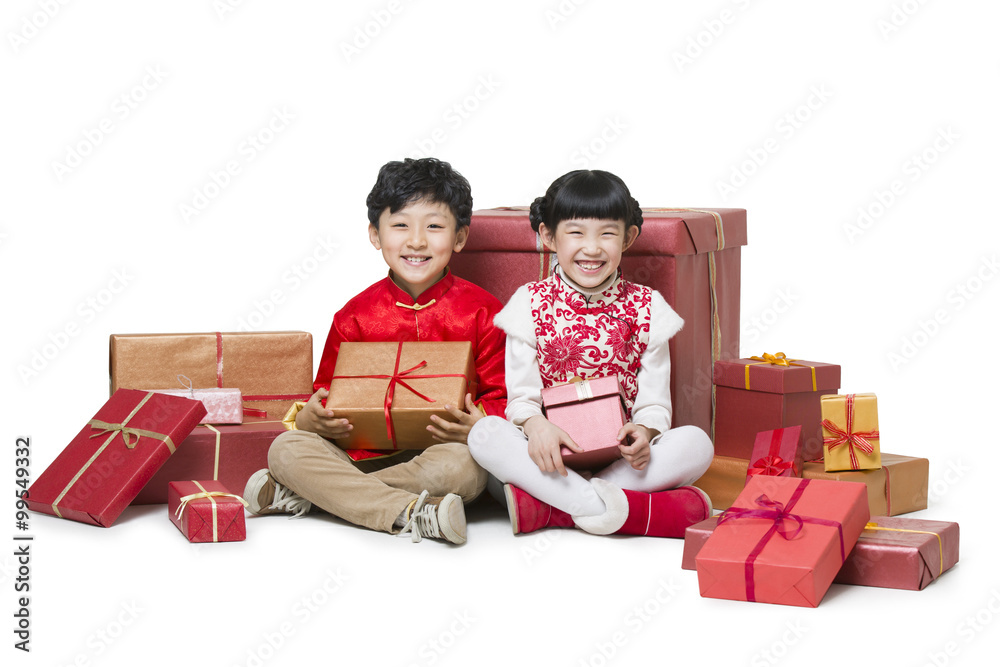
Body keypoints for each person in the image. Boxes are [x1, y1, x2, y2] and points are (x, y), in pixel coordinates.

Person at [243, 157, 506, 545]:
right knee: (286, 448)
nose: (416, 241)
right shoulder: (353, 316)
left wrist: (478, 422)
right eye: (400, 225)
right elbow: (325, 394)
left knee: (466, 468)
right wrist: (313, 419)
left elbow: (503, 396)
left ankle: (309, 495)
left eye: (434, 226)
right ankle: (411, 512)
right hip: (360, 453)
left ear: (460, 238)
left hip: (440, 453)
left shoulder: (485, 311)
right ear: (375, 234)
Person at [467, 170, 713, 537]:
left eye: (608, 233)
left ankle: (557, 508)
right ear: (549, 236)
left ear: (628, 237)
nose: (593, 248)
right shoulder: (528, 303)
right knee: (485, 434)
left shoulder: (648, 307)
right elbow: (521, 399)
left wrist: (643, 432)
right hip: (549, 457)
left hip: (620, 460)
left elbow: (655, 404)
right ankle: (614, 507)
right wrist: (537, 428)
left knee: (697, 443)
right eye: (576, 232)